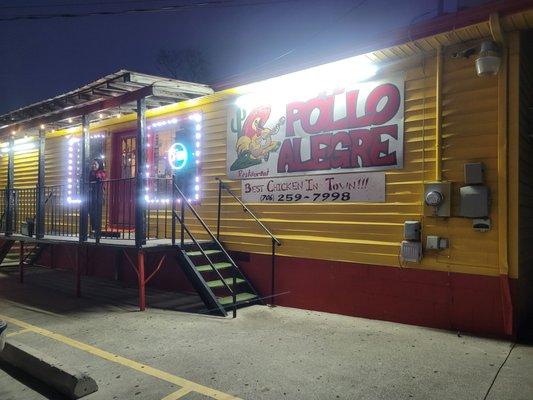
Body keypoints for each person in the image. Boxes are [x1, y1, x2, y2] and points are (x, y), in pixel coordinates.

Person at [89, 158, 106, 236]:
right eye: (93, 164)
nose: (93, 165)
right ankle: (93, 230)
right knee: (91, 213)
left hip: (98, 196)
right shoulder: (91, 173)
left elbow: (99, 180)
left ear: (99, 165)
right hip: (91, 196)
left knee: (97, 214)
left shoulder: (101, 173)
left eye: (95, 164)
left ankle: (96, 231)